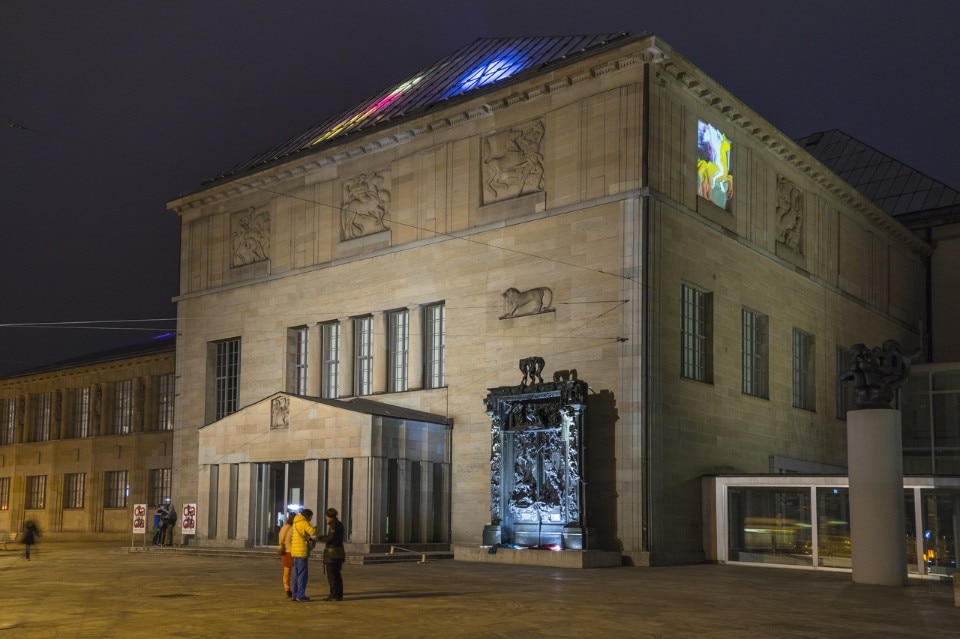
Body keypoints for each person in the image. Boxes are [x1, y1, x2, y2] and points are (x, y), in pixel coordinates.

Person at [318, 507, 345, 601]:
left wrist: (321, 538)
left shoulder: (334, 525)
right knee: (337, 575)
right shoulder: (339, 524)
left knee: (332, 575)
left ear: (328, 516)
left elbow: (331, 538)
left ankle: (334, 595)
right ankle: (338, 594)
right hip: (338, 552)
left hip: (333, 554)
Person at [289, 509, 317, 602]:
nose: (310, 519)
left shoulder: (295, 522)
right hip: (302, 551)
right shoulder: (304, 522)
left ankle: (295, 594)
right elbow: (312, 532)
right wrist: (316, 528)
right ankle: (300, 595)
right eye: (310, 517)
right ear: (307, 516)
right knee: (302, 574)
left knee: (296, 574)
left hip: (295, 552)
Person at [277, 512, 296, 598]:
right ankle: (296, 590)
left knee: (286, 573)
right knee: (297, 572)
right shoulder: (293, 529)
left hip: (284, 552)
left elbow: (280, 539)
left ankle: (287, 589)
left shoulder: (283, 528)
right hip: (292, 552)